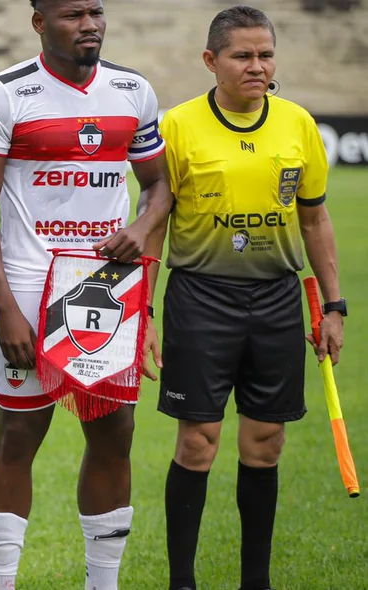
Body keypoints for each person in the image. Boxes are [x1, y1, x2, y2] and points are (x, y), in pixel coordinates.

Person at [0, 1, 174, 588]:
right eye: (73, 14)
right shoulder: (5, 94)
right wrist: (4, 305)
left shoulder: (133, 92)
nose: (90, 25)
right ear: (40, 23)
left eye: (96, 12)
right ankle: (0, 583)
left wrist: (140, 227)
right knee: (18, 434)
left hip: (105, 287)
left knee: (114, 432)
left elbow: (159, 188)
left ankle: (101, 583)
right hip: (29, 286)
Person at [154, 6, 343, 590]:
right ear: (211, 61)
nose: (257, 66)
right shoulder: (177, 127)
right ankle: (182, 581)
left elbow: (315, 220)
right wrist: (140, 312)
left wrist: (333, 306)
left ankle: (253, 581)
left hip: (279, 301)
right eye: (242, 56)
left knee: (266, 443)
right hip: (200, 298)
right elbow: (153, 221)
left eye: (265, 55)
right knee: (198, 441)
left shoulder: (298, 125)